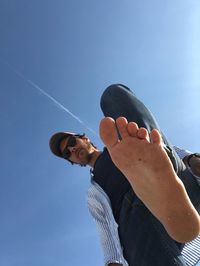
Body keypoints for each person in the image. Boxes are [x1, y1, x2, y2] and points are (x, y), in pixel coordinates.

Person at [49, 84, 200, 266]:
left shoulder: (125, 144)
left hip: (178, 184)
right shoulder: (93, 194)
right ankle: (167, 207)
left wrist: (192, 158)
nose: (72, 149)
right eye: (67, 153)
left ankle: (158, 186)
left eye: (72, 141)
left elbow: (174, 151)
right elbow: (105, 229)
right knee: (132, 226)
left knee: (113, 94)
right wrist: (113, 262)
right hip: (138, 222)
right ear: (72, 161)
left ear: (85, 138)